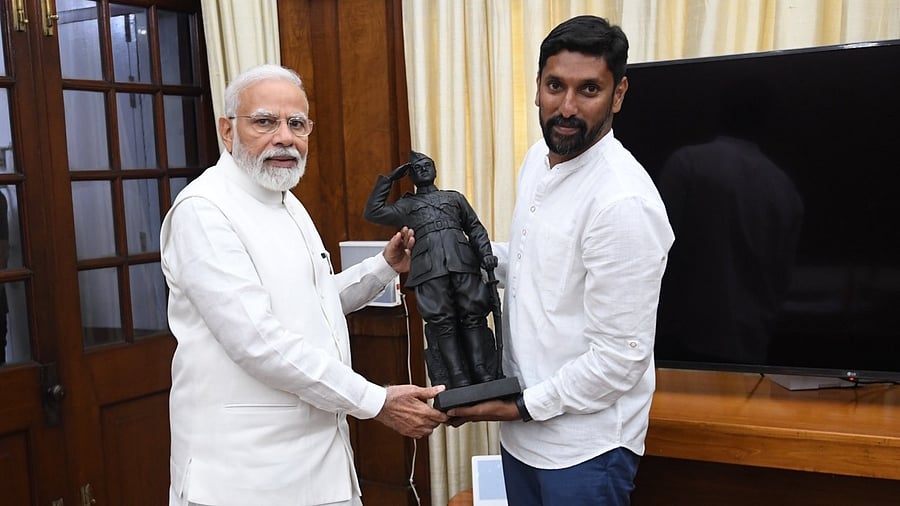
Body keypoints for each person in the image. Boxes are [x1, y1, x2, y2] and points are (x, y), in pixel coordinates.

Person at [160, 64, 448, 506]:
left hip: (321, 463)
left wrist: (383, 267)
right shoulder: (203, 210)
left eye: (296, 124)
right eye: (264, 122)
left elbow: (309, 304)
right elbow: (258, 340)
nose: (284, 137)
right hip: (245, 478)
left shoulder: (285, 198)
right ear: (227, 130)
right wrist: (375, 401)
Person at [447, 16, 675, 505]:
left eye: (588, 89)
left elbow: (620, 360)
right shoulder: (540, 156)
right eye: (555, 86)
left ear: (618, 95)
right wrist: (456, 259)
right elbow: (535, 267)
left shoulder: (622, 203)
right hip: (524, 436)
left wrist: (520, 407)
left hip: (584, 451)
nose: (566, 107)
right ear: (537, 88)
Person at [655, 77, 804, 365]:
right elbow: (783, 275)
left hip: (681, 337)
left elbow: (657, 251)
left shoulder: (688, 163)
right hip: (751, 342)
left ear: (721, 112)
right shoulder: (784, 187)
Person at [363, 152, 499, 390]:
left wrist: (485, 253)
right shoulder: (406, 205)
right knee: (442, 323)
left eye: (427, 165)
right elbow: (373, 211)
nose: (423, 169)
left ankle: (480, 369)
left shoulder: (454, 198)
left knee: (473, 316)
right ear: (410, 175)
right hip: (429, 269)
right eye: (417, 168)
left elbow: (475, 227)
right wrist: (389, 179)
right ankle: (457, 376)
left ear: (435, 169)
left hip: (462, 262)